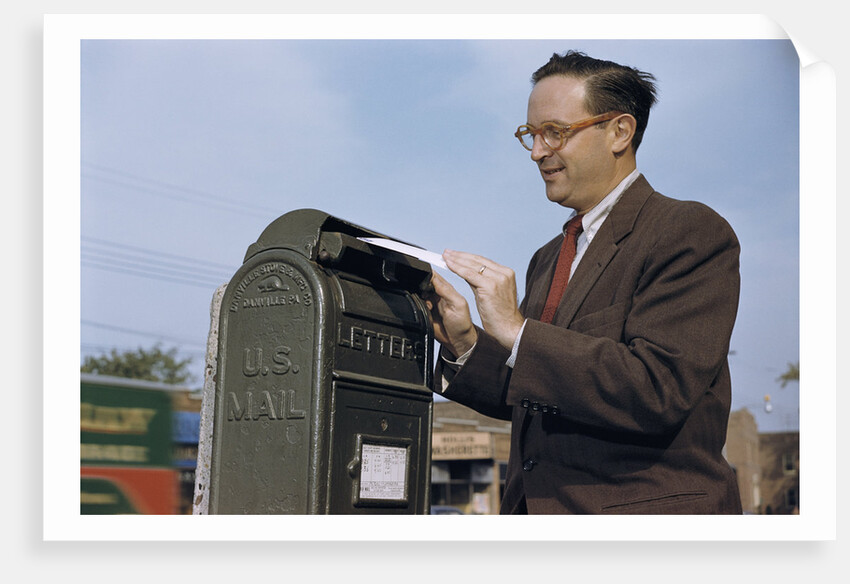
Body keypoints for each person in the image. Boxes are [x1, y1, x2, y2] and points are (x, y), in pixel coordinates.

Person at [426, 50, 743, 514]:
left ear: (620, 131)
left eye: (555, 132)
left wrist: (516, 331)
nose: (537, 152)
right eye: (530, 135)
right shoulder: (547, 258)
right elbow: (536, 396)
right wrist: (466, 342)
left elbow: (658, 388)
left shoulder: (688, 231)